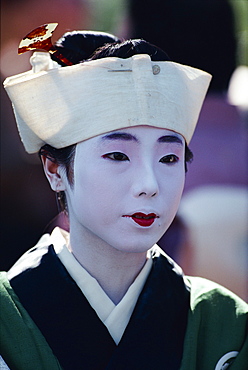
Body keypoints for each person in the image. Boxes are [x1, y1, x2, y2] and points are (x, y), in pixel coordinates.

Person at [0, 26, 247, 370]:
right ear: (55, 170)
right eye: (118, 156)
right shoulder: (6, 317)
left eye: (169, 159)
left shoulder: (225, 324)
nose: (149, 184)